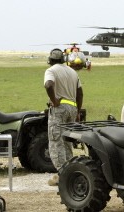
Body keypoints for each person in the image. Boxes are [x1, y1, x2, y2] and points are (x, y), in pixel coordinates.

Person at [44, 48, 83, 186]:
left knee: (56, 141)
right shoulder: (72, 72)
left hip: (59, 109)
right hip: (72, 108)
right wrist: (77, 111)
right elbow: (80, 93)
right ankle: (70, 171)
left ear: (50, 60)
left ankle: (63, 174)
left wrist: (54, 101)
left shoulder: (51, 71)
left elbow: (48, 85)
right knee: (67, 141)